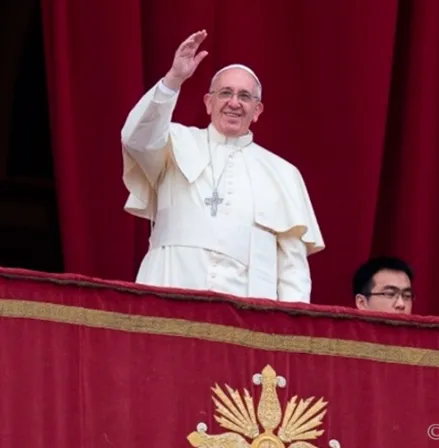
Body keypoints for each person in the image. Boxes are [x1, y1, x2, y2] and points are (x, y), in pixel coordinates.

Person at [120, 30, 324, 302]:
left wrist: (290, 332)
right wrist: (173, 80)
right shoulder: (173, 142)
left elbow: (292, 270)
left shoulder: (284, 174)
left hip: (245, 316)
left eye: (245, 96)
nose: (234, 103)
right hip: (169, 295)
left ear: (257, 111)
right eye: (225, 93)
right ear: (208, 102)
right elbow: (135, 137)